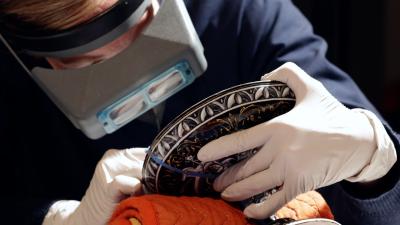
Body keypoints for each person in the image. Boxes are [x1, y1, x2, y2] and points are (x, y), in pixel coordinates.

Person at [0, 0, 399, 225]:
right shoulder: (10, 82)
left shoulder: (243, 16)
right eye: (85, 62)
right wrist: (59, 220)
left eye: (140, 29)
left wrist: (371, 158)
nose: (130, 68)